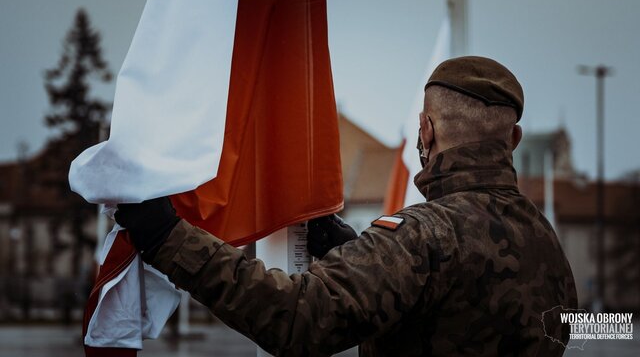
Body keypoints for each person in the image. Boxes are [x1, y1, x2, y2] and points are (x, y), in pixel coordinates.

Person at [115, 56, 577, 356]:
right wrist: (360, 250)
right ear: (513, 139)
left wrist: (168, 238)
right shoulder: (547, 244)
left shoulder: (423, 236)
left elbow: (298, 318)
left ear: (426, 130)